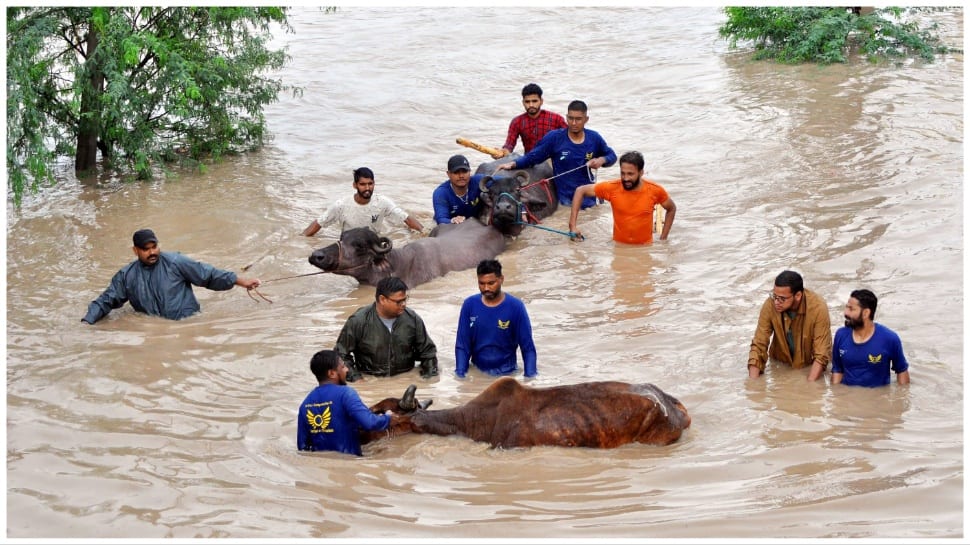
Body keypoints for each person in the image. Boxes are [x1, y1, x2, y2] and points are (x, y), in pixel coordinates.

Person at [82, 229, 261, 324]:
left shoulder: (175, 262)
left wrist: (242, 281)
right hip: (154, 329)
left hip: (189, 322)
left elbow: (208, 274)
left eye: (154, 247)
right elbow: (106, 300)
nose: (152, 252)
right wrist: (86, 322)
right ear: (135, 250)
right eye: (146, 249)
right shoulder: (127, 275)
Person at [496, 100, 616, 209]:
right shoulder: (554, 138)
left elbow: (612, 156)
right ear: (566, 117)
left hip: (590, 198)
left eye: (578, 119)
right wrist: (513, 164)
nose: (574, 123)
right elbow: (533, 157)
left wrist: (602, 160)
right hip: (565, 200)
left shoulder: (594, 138)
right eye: (570, 118)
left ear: (586, 119)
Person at [296, 349, 400, 456]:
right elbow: (369, 422)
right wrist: (388, 419)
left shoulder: (305, 404)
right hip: (349, 463)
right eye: (342, 367)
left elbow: (302, 447)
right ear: (332, 373)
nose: (346, 370)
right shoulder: (346, 393)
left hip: (320, 469)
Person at [334, 276, 438, 381]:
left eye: (405, 300)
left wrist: (429, 379)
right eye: (398, 302)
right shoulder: (358, 321)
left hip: (404, 378)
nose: (404, 305)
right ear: (382, 299)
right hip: (370, 380)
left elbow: (428, 353)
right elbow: (340, 355)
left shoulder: (412, 319)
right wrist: (357, 379)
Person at [568, 151, 677, 244]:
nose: (625, 178)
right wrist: (572, 226)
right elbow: (580, 191)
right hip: (618, 246)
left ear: (641, 173)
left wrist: (663, 239)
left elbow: (671, 208)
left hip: (644, 248)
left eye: (630, 174)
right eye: (623, 173)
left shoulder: (655, 190)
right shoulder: (612, 188)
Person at [455, 259, 537, 378]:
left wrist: (530, 379)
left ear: (501, 279)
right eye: (481, 283)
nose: (486, 288)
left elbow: (528, 348)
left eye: (491, 283)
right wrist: (460, 376)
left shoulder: (516, 307)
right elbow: (462, 345)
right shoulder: (469, 305)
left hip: (507, 375)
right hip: (478, 373)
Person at [748, 270, 832, 381]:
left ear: (798, 295)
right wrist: (753, 383)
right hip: (781, 363)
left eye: (782, 299)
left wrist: (810, 386)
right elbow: (759, 345)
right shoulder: (770, 304)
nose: (776, 302)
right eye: (774, 296)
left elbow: (821, 355)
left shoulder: (818, 308)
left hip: (810, 366)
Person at [302, 167, 424, 237]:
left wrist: (424, 233)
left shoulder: (382, 202)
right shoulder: (341, 205)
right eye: (362, 184)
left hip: (372, 244)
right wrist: (301, 239)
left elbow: (406, 219)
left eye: (370, 184)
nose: (367, 188)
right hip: (349, 247)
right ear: (355, 185)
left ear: (374, 184)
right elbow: (319, 223)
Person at [832, 289, 910, 386]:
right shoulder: (840, 335)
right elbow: (837, 371)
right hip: (847, 398)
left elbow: (902, 372)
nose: (846, 313)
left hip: (878, 398)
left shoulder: (890, 339)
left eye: (851, 309)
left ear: (866, 313)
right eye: (846, 308)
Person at [496, 82, 567, 157]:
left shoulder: (556, 119)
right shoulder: (517, 122)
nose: (531, 105)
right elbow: (509, 145)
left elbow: (570, 139)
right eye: (527, 102)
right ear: (523, 102)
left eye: (534, 101)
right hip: (529, 162)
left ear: (541, 101)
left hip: (552, 161)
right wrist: (502, 153)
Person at [432, 154, 484, 225]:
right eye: (456, 172)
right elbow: (441, 219)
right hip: (451, 227)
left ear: (469, 172)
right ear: (448, 174)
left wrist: (504, 165)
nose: (461, 176)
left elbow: (500, 180)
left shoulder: (478, 181)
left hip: (472, 225)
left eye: (464, 171)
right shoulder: (441, 193)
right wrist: (452, 221)